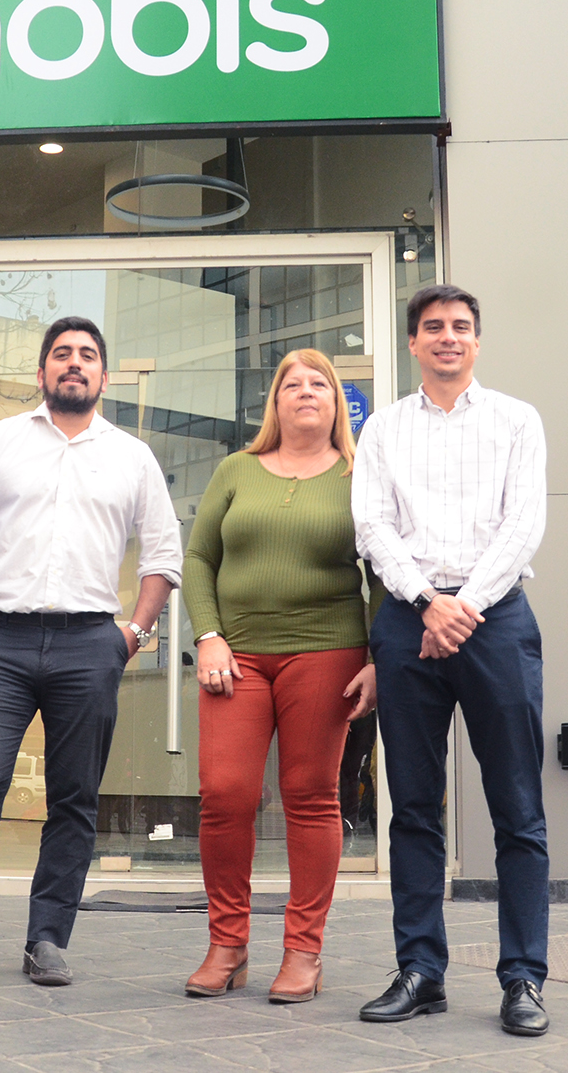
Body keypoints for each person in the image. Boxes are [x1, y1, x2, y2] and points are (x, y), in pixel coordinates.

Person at [0, 316, 182, 990]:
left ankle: (47, 939)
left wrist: (132, 634)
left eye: (87, 355)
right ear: (41, 372)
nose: (74, 363)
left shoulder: (132, 456)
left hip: (90, 643)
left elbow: (163, 555)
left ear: (103, 376)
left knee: (73, 797)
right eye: (62, 353)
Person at [351, 284, 551, 1037]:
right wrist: (426, 601)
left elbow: (523, 523)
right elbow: (372, 524)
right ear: (413, 342)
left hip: (495, 620)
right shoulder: (384, 429)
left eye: (461, 326)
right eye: (433, 326)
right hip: (409, 623)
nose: (447, 336)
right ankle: (421, 970)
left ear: (477, 340)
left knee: (518, 809)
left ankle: (524, 977)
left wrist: (460, 606)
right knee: (412, 806)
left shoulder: (516, 420)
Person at [180, 348, 378, 1004]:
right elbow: (200, 556)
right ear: (275, 402)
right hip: (235, 656)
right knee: (225, 794)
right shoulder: (237, 469)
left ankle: (303, 951)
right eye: (291, 383)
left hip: (326, 651)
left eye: (319, 382)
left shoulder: (360, 475)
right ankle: (227, 944)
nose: (305, 390)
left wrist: (378, 659)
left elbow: (381, 569)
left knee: (311, 795)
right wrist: (209, 635)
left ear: (336, 401)